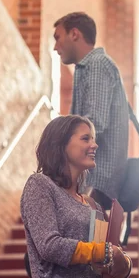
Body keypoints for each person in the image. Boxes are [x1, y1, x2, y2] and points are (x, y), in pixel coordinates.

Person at [21, 115, 132, 278]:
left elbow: (114, 264)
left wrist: (120, 259)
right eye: (85, 139)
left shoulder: (92, 204)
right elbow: (49, 246)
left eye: (93, 138)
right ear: (61, 145)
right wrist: (102, 251)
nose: (94, 145)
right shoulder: (40, 186)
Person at [53, 12, 129, 211]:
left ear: (75, 34)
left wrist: (57, 143)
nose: (55, 46)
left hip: (97, 180)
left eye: (58, 37)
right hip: (92, 180)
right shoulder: (86, 68)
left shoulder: (96, 65)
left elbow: (93, 123)